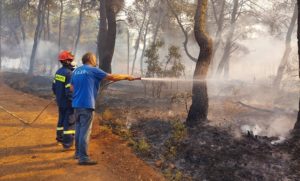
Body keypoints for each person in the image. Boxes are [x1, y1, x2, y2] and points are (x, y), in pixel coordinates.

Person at [70, 52, 138, 165]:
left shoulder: (76, 71)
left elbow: (72, 88)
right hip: (87, 104)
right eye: (94, 59)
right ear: (90, 59)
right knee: (85, 131)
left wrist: (86, 87)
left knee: (79, 129)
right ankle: (83, 158)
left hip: (76, 104)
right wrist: (127, 76)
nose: (95, 61)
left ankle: (77, 153)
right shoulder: (93, 70)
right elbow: (111, 77)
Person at [52, 50, 76, 150]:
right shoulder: (69, 74)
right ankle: (67, 144)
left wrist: (58, 96)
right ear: (66, 61)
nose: (72, 62)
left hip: (60, 101)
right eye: (70, 60)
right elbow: (69, 91)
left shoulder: (58, 72)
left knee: (61, 120)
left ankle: (59, 138)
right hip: (68, 102)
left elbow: (54, 87)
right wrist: (72, 101)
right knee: (69, 122)